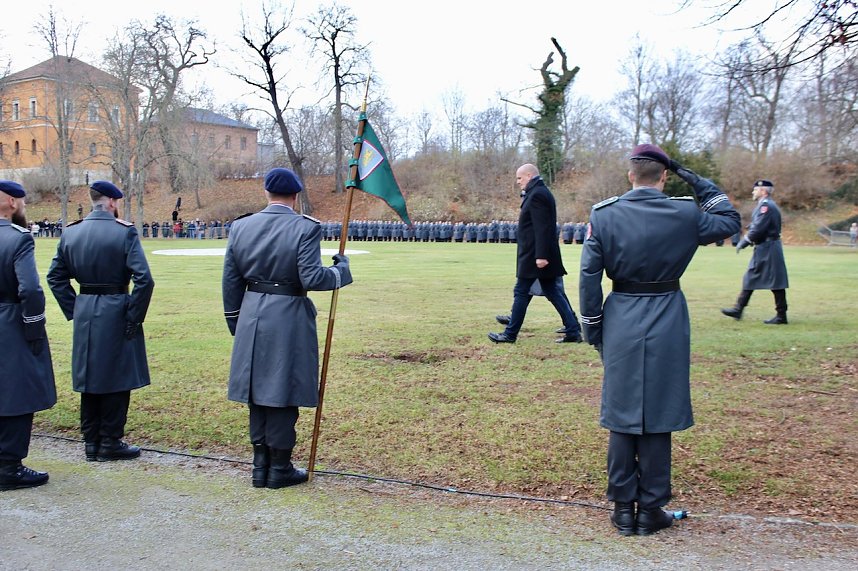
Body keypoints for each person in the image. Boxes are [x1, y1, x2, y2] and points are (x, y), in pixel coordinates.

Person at [579, 144, 739, 536]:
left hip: (621, 315)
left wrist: (592, 327)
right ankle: (650, 509)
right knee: (659, 412)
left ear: (630, 175)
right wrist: (695, 178)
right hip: (667, 313)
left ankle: (623, 509)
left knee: (622, 412)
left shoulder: (604, 214)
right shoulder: (685, 213)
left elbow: (589, 276)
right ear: (664, 176)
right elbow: (729, 219)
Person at [222, 168, 353, 489]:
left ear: (267, 194)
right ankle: (279, 468)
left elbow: (231, 279)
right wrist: (341, 272)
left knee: (257, 392)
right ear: (295, 196)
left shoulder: (241, 226)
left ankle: (260, 467)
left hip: (251, 313)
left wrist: (235, 320)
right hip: (288, 315)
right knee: (282, 391)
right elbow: (312, 277)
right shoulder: (305, 227)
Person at [47, 180, 155, 462]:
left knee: (90, 374)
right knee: (118, 376)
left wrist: (75, 308)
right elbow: (144, 279)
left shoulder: (72, 232)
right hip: (116, 307)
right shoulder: (124, 232)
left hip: (86, 308)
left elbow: (55, 277)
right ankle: (109, 441)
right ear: (111, 202)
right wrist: (134, 316)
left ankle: (91, 441)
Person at [0, 181, 56, 491]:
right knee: (17, 393)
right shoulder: (18, 238)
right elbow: (31, 290)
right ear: (12, 202)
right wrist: (33, 327)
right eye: (22, 201)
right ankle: (9, 467)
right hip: (10, 322)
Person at [488, 163, 582, 344]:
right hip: (536, 254)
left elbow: (542, 227)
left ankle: (510, 334)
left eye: (519, 178)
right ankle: (573, 330)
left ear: (529, 175)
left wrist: (541, 255)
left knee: (521, 291)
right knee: (552, 291)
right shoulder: (537, 192)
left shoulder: (538, 194)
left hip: (535, 255)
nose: (518, 182)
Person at [721, 179, 790, 324]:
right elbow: (760, 225)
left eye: (756, 189)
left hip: (769, 247)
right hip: (764, 247)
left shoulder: (766, 206)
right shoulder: (765, 205)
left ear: (763, 191)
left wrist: (744, 241)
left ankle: (781, 315)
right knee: (751, 277)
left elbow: (759, 228)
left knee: (776, 282)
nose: (753, 192)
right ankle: (738, 309)